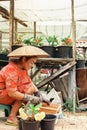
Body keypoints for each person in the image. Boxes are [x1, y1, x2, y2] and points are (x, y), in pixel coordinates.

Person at [0, 55, 49, 125]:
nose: (32, 66)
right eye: (31, 62)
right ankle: (11, 117)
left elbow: (30, 83)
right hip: (2, 94)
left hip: (8, 94)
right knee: (26, 90)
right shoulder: (11, 69)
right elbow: (12, 93)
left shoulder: (22, 69)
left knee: (28, 89)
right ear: (24, 59)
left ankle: (17, 112)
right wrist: (31, 98)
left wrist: (38, 94)